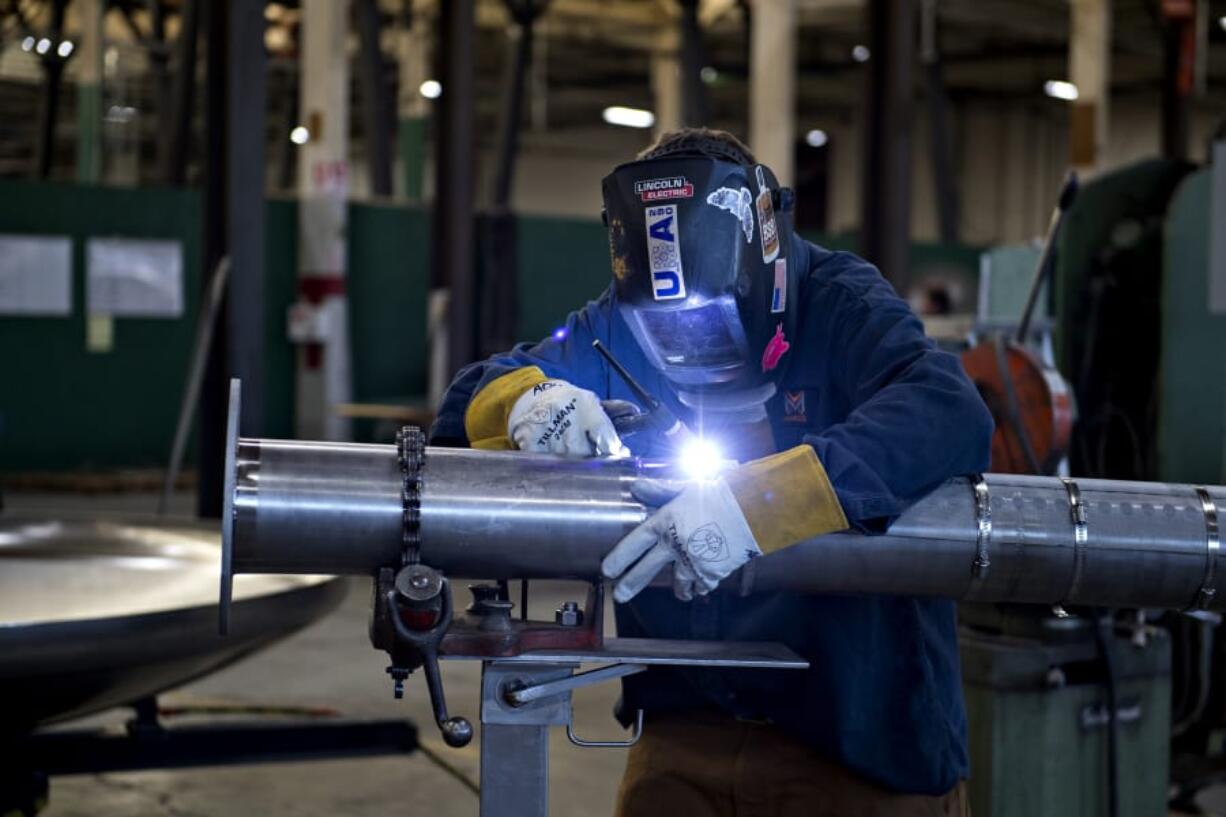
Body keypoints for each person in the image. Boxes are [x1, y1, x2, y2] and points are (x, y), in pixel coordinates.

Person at [431, 128, 991, 817]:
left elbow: (946, 408)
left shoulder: (838, 302)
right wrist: (526, 400)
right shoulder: (618, 325)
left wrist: (758, 505)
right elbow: (467, 402)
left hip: (858, 739)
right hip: (685, 732)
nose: (684, 343)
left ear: (764, 257)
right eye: (663, 326)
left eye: (706, 317)